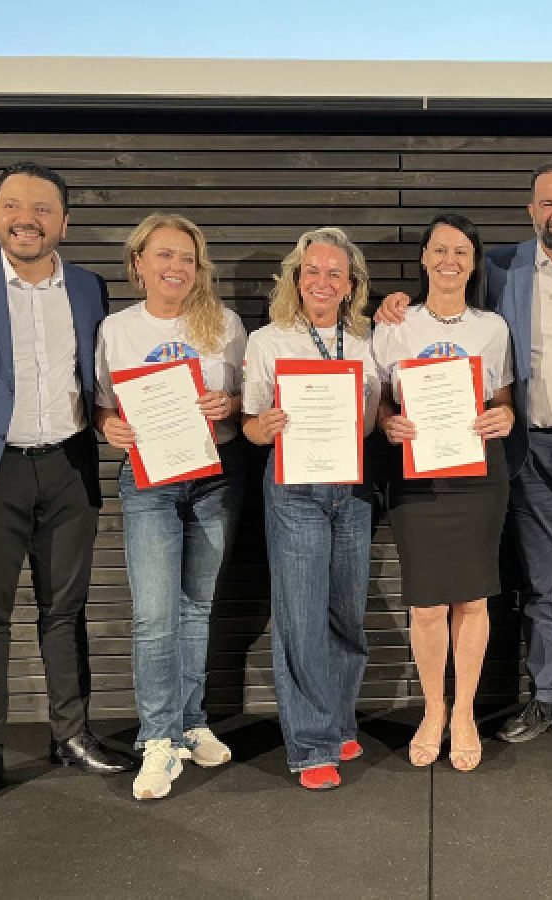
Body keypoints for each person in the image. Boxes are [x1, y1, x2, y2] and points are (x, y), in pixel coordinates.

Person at [377, 161, 552, 762]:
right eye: (548, 203)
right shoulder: (502, 267)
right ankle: (544, 697)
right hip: (530, 450)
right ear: (531, 211)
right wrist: (392, 305)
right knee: (540, 586)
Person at [0, 162, 132, 810]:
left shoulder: (90, 287)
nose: (25, 219)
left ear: (64, 221)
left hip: (69, 466)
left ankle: (72, 735)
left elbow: (97, 377)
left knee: (65, 611)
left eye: (41, 209)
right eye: (12, 205)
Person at [94, 213, 246, 800]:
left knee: (196, 608)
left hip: (214, 476)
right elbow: (104, 406)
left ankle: (191, 721)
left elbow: (247, 398)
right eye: (164, 255)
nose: (176, 267)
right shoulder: (117, 329)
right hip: (149, 479)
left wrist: (227, 404)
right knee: (155, 615)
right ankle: (158, 738)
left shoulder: (225, 324)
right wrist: (109, 427)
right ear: (139, 263)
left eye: (187, 257)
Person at [373, 213, 514, 773]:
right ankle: (433, 710)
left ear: (474, 263)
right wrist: (387, 423)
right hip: (416, 474)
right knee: (427, 603)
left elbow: (503, 400)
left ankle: (465, 713)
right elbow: (380, 399)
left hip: (479, 474)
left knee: (473, 600)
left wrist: (505, 417)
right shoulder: (395, 322)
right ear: (424, 258)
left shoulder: (493, 327)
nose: (449, 260)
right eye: (439, 249)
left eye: (461, 251)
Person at [243, 227, 381, 790]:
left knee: (346, 615)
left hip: (353, 487)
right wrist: (265, 426)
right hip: (294, 487)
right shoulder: (268, 341)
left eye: (335, 273)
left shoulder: (369, 341)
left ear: (351, 285)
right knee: (301, 619)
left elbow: (376, 418)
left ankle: (339, 720)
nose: (323, 281)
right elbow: (249, 426)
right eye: (313, 271)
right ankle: (310, 744)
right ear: (297, 280)